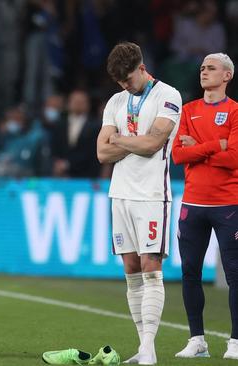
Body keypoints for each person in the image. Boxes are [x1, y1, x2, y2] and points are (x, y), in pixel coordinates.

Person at [96, 42, 182, 365]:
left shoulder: (168, 96)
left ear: (142, 68)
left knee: (151, 268)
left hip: (151, 195)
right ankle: (145, 348)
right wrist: (128, 142)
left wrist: (118, 138)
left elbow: (153, 144)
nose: (125, 87)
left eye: (129, 80)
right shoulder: (116, 100)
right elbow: (101, 153)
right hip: (120, 194)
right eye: (120, 83)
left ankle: (148, 347)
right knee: (131, 269)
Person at [171, 53, 238, 360]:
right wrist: (216, 145)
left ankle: (236, 341)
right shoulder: (189, 110)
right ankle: (197, 339)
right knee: (190, 272)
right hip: (193, 204)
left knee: (235, 273)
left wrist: (196, 147)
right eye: (201, 68)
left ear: (227, 76)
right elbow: (178, 156)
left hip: (228, 204)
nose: (204, 71)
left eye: (211, 68)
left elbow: (234, 158)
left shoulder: (235, 111)